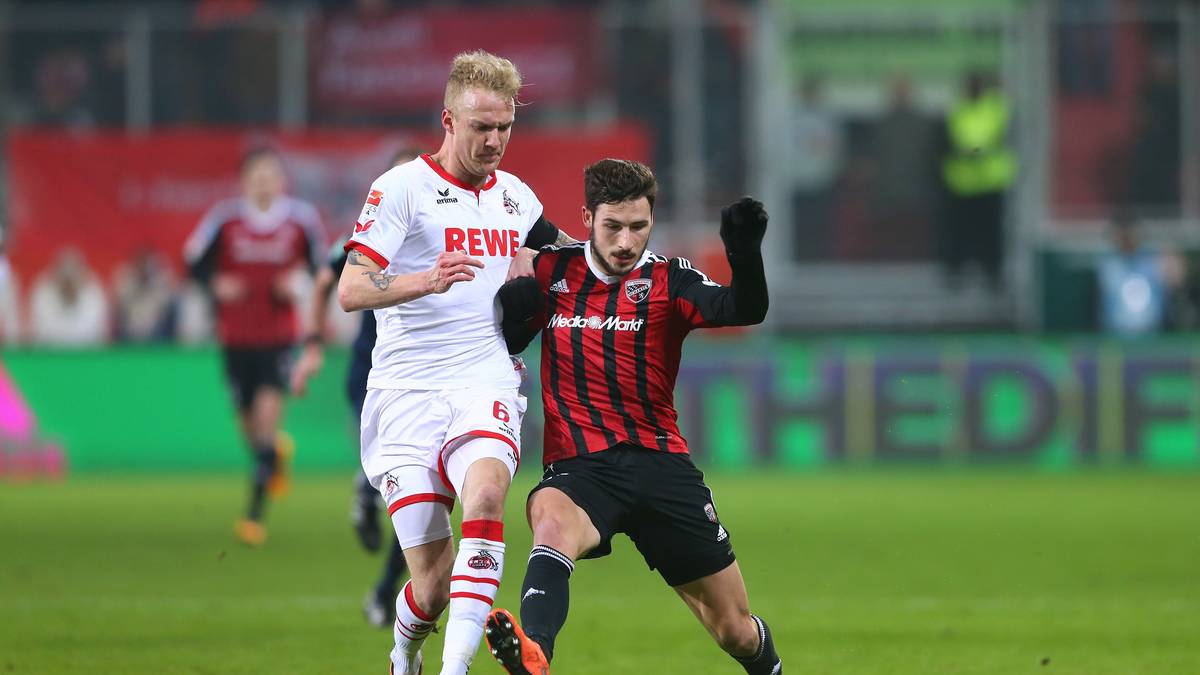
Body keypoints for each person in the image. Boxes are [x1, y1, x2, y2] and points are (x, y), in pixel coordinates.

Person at [486, 159, 782, 675]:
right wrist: (515, 309)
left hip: (661, 467)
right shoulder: (552, 271)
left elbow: (743, 309)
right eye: (613, 227)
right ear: (586, 218)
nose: (626, 241)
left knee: (733, 630)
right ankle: (534, 653)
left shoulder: (670, 279)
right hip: (581, 469)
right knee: (551, 522)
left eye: (639, 227)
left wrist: (745, 254)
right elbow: (508, 343)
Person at [336, 50, 573, 675]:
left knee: (488, 497)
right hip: (404, 395)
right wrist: (424, 279)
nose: (494, 141)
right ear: (448, 118)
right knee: (432, 583)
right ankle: (404, 651)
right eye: (481, 128)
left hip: (484, 380)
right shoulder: (401, 189)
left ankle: (455, 668)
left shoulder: (517, 199)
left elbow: (572, 258)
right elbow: (351, 289)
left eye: (505, 128)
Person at [290, 146, 421, 629]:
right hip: (373, 376)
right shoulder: (369, 232)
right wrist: (310, 345)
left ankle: (385, 590)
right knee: (407, 488)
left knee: (425, 502)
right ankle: (368, 488)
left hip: (428, 384)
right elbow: (326, 282)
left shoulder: (445, 233)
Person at [183, 146, 325, 546]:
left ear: (282, 181)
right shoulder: (225, 220)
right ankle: (273, 454)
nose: (263, 181)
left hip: (279, 339)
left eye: (270, 174)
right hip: (235, 339)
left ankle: (254, 515)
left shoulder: (300, 221)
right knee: (250, 431)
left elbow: (322, 271)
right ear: (244, 181)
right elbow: (193, 261)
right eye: (256, 174)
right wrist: (216, 285)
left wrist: (297, 284)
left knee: (265, 419)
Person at [28, 248, 110, 346]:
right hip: (50, 354)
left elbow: (93, 332)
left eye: (72, 279)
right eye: (65, 279)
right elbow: (45, 332)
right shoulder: (42, 291)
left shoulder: (93, 291)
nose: (68, 284)